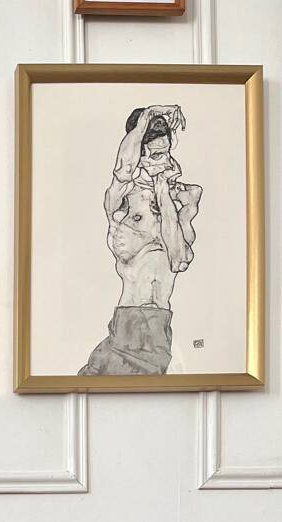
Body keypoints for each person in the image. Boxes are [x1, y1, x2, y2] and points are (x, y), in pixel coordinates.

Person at [80, 104, 202, 376]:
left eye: (167, 152)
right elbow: (124, 166)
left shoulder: (180, 200)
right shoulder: (122, 200)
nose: (165, 161)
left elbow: (179, 258)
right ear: (140, 155)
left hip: (159, 332)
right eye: (156, 154)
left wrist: (165, 196)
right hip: (129, 326)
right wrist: (150, 114)